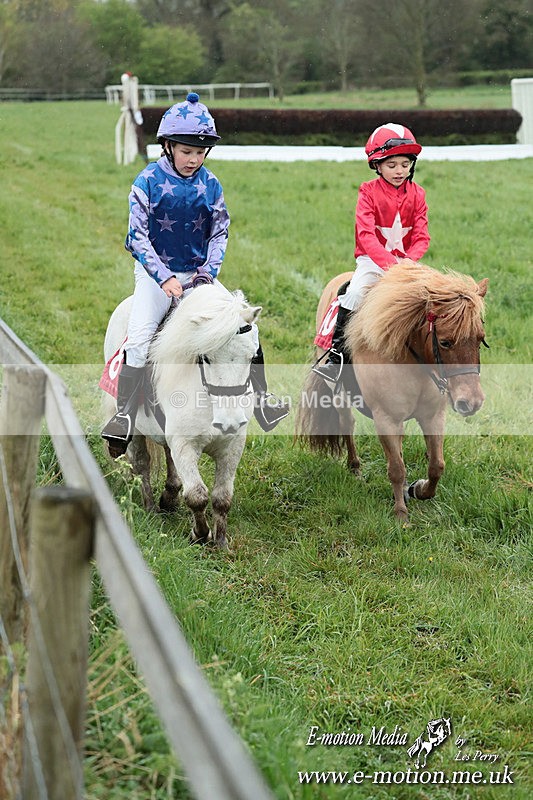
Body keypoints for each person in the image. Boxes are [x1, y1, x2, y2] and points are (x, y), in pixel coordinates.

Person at [102, 93, 289, 455]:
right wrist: (163, 277)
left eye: (201, 152)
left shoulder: (211, 184)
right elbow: (136, 237)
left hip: (199, 275)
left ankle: (264, 401)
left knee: (245, 327)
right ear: (168, 146)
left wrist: (207, 273)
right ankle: (124, 415)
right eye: (187, 151)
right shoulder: (146, 182)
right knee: (139, 337)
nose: (194, 159)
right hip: (155, 275)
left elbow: (220, 231)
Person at [313, 122, 430, 386]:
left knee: (431, 301)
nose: (400, 171)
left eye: (405, 164)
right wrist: (390, 265)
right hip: (372, 261)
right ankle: (336, 356)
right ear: (377, 165)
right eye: (392, 165)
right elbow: (366, 236)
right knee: (353, 293)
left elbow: (422, 236)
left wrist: (407, 263)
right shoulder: (368, 192)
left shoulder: (419, 194)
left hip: (408, 263)